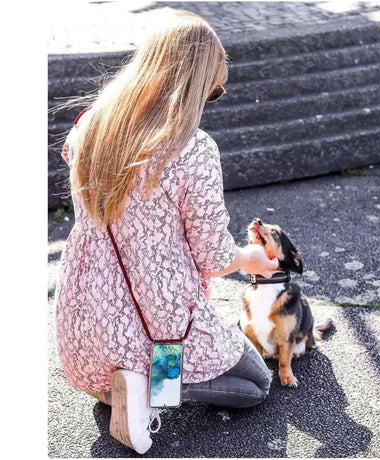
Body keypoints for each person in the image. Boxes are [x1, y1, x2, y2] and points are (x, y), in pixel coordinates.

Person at [54, 7, 279, 454]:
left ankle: (114, 387)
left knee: (137, 351)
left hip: (89, 310)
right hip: (161, 315)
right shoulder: (191, 149)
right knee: (255, 383)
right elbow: (212, 258)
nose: (209, 101)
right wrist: (252, 259)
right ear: (193, 86)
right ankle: (149, 390)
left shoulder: (90, 126)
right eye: (211, 92)